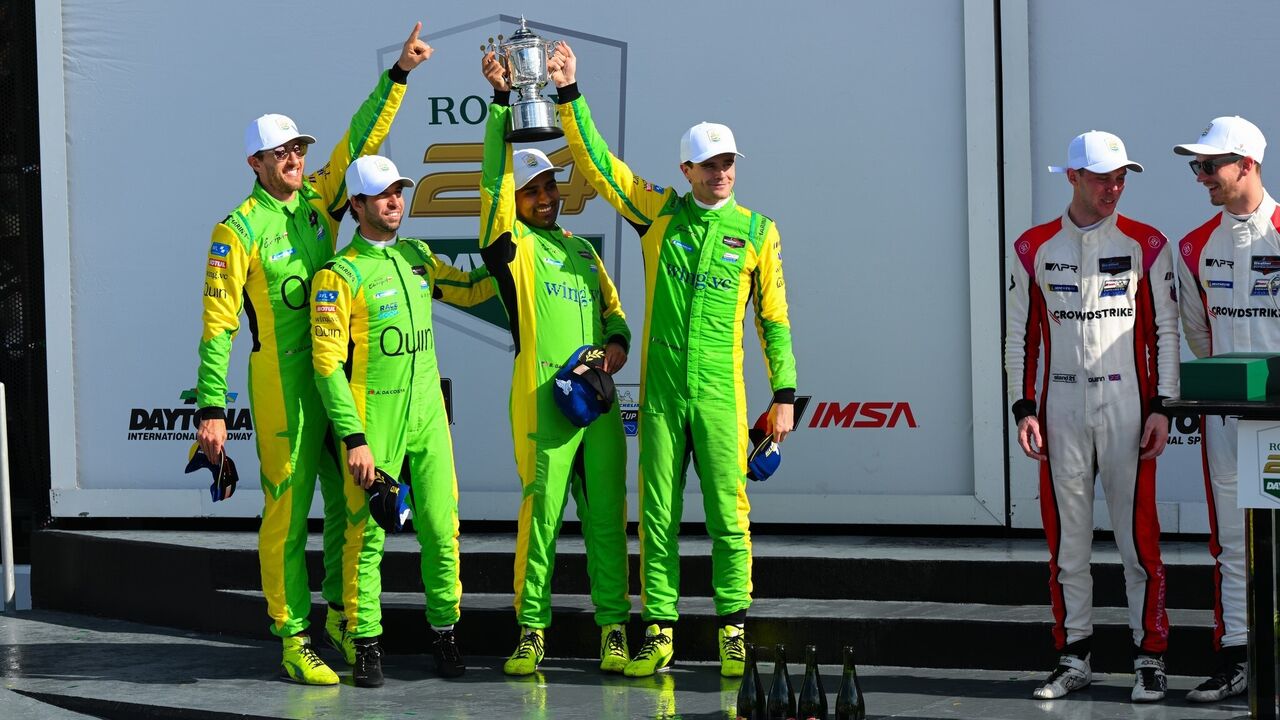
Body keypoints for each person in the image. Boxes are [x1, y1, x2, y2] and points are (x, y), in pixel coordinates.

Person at [548, 43, 797, 679]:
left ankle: (732, 629)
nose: (722, 173)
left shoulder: (758, 230)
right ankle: (659, 631)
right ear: (686, 167)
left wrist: (785, 395)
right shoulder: (660, 213)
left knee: (728, 515)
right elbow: (602, 170)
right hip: (659, 394)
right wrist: (571, 95)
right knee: (655, 515)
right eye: (710, 164)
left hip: (721, 395)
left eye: (730, 163)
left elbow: (774, 319)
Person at [194, 24, 431, 686]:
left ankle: (343, 620)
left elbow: (361, 139)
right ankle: (293, 636)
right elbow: (217, 324)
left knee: (349, 504)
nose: (294, 159)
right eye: (280, 153)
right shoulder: (235, 231)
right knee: (288, 513)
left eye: (297, 148)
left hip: (338, 380)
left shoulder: (321, 203)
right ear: (255, 164)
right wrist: (212, 405)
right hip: (281, 386)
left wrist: (400, 76)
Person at [1004, 131, 1177, 703]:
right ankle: (1073, 654)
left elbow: (1165, 333)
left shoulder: (1146, 243)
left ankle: (1150, 657)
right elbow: (1018, 338)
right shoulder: (1032, 247)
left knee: (1137, 541)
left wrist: (1162, 406)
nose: (1115, 187)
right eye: (1103, 176)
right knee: (1068, 544)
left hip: (1128, 408)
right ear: (1073, 177)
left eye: (1122, 175)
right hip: (1060, 411)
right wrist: (1024, 407)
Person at [310, 155, 495, 685]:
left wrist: (506, 255)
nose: (396, 201)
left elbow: (473, 289)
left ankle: (446, 634)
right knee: (365, 534)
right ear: (358, 205)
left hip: (427, 416)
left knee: (442, 527)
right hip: (374, 421)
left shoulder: (419, 257)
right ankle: (366, 643)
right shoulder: (338, 274)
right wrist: (354, 437)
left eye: (400, 191)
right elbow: (326, 366)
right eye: (383, 193)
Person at [478, 52, 632, 676]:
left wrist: (616, 347)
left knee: (606, 521)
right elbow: (490, 185)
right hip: (541, 402)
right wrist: (496, 108)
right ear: (515, 202)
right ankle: (532, 632)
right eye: (531, 191)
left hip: (596, 404)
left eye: (549, 187)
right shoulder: (512, 249)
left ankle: (614, 630)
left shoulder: (582, 254)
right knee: (540, 520)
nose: (545, 198)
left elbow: (616, 316)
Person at [1172, 115, 1270, 703]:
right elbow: (1199, 337)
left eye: (1210, 165)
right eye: (1197, 166)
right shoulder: (1192, 247)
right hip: (1230, 421)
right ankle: (1239, 656)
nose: (1201, 176)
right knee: (1232, 541)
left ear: (1247, 165)